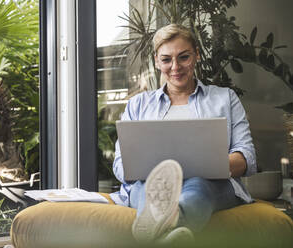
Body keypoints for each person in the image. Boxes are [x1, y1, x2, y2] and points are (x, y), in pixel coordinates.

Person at [109, 24, 257, 243]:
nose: (175, 67)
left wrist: (213, 165)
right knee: (146, 188)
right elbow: (121, 164)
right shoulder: (138, 105)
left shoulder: (225, 98)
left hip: (209, 185)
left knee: (198, 183)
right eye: (166, 59)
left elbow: (247, 156)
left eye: (183, 57)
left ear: (196, 54)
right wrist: (151, 171)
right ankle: (169, 238)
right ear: (157, 61)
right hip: (150, 186)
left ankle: (156, 232)